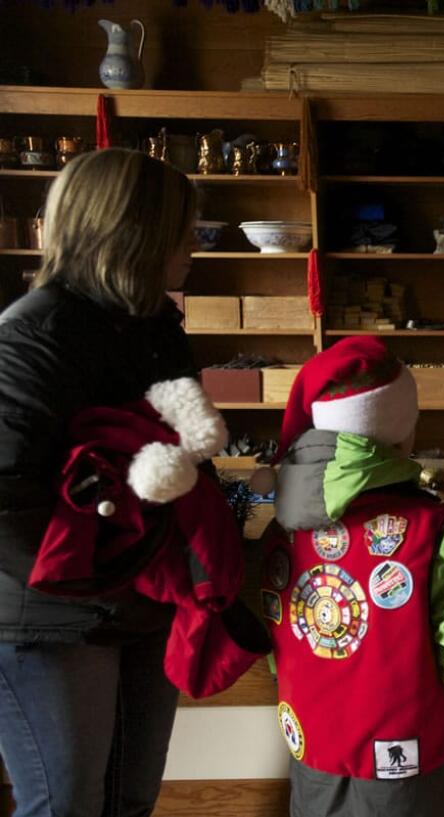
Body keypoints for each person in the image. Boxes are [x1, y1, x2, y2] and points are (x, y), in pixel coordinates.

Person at [0, 149, 200, 817]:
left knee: (130, 799)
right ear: (137, 232)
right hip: (55, 618)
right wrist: (102, 571)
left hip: (139, 598)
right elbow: (5, 498)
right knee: (65, 807)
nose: (191, 243)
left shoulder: (154, 327)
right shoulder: (34, 333)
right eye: (182, 227)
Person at [259, 336, 444, 817]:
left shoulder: (282, 530)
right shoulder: (441, 534)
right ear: (403, 432)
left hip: (314, 767)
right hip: (421, 779)